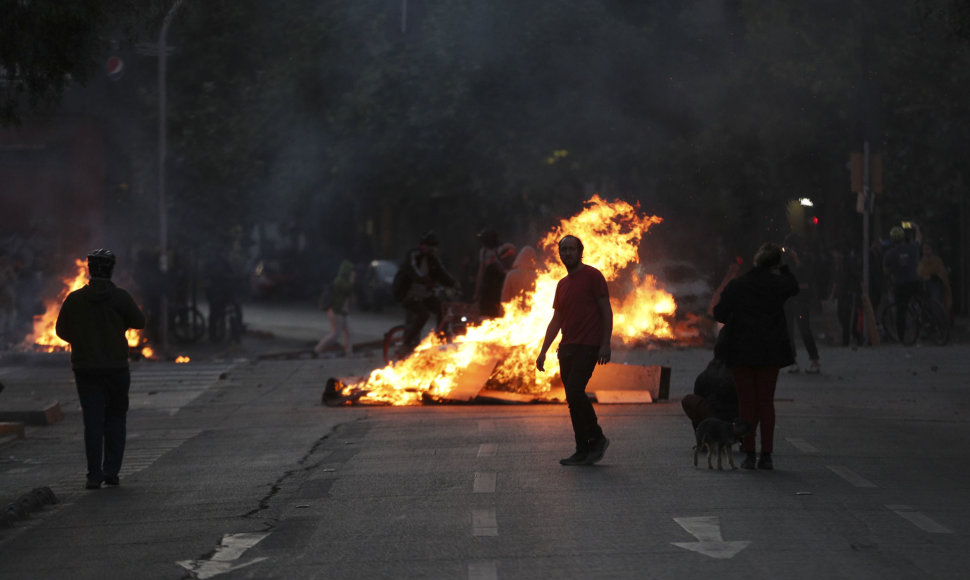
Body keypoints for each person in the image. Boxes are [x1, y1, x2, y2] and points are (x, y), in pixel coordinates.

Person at [55, 249, 146, 489]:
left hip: (85, 368)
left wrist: (82, 340)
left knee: (92, 421)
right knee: (115, 417)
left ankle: (93, 475)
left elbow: (61, 331)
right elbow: (140, 322)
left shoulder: (74, 299)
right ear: (111, 269)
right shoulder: (121, 298)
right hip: (116, 368)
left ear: (89, 269)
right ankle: (111, 471)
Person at [713, 242, 798, 470]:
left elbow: (719, 313)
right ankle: (766, 455)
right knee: (766, 404)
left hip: (741, 352)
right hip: (770, 353)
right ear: (775, 264)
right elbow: (793, 287)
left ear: (756, 261)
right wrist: (785, 268)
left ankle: (749, 453)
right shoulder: (778, 284)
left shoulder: (738, 285)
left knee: (746, 404)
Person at [535, 235, 613, 466]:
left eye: (571, 249)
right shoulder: (562, 284)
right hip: (567, 348)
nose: (567, 253)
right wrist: (543, 351)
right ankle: (582, 448)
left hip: (588, 346)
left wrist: (605, 343)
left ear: (580, 252)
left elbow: (606, 311)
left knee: (576, 391)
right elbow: (556, 319)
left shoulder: (593, 276)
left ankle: (597, 438)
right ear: (559, 254)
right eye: (563, 249)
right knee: (572, 397)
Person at [399, 231, 459, 352]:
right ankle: (406, 343)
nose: (432, 249)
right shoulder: (413, 255)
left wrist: (454, 284)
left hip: (424, 294)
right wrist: (423, 281)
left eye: (433, 247)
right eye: (429, 246)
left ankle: (440, 340)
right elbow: (412, 271)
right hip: (408, 293)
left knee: (441, 310)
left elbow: (441, 273)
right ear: (422, 245)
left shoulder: (433, 259)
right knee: (423, 314)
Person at [781, 233, 820, 374]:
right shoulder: (785, 260)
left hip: (801, 299)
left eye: (790, 247)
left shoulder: (805, 258)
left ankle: (814, 360)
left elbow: (807, 276)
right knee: (788, 331)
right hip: (788, 299)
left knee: (804, 329)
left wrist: (797, 259)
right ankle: (793, 361)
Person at [882, 224, 922, 342]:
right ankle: (925, 317)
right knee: (921, 300)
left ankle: (901, 337)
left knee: (901, 311)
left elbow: (885, 271)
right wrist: (917, 228)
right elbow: (919, 239)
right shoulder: (913, 248)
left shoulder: (889, 254)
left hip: (900, 285)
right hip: (915, 282)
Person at [314, 260, 355, 357]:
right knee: (335, 334)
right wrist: (352, 280)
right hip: (336, 311)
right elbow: (347, 289)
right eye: (352, 271)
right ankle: (317, 350)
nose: (353, 273)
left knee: (349, 332)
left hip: (343, 312)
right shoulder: (339, 280)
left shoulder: (345, 280)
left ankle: (349, 353)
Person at [473, 227, 510, 319]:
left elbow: (507, 270)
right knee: (485, 315)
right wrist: (477, 293)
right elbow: (481, 273)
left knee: (498, 315)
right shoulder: (483, 252)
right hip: (487, 289)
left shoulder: (503, 249)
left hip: (500, 288)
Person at [917, 241, 952, 318]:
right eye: (924, 250)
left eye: (928, 249)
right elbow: (920, 273)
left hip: (935, 284)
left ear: (932, 250)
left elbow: (942, 273)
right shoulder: (922, 262)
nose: (926, 252)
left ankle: (937, 319)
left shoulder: (937, 260)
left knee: (935, 301)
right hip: (923, 286)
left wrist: (934, 276)